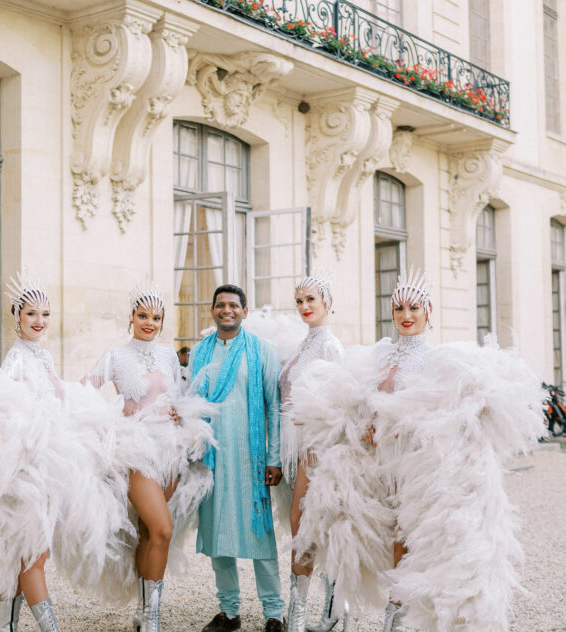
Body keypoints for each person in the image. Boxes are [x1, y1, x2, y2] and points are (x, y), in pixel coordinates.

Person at [291, 267, 545, 632]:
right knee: (362, 534)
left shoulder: (438, 360)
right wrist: (365, 424)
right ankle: (337, 610)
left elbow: (450, 410)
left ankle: (394, 624)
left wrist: (405, 427)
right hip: (377, 465)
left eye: (413, 307)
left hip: (415, 465)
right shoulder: (380, 356)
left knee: (404, 540)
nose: (406, 315)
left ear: (428, 312)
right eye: (399, 309)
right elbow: (365, 402)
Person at [0, 272, 135, 632]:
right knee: (32, 551)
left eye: (45, 314)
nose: (39, 321)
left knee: (26, 550)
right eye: (31, 314)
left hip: (49, 467)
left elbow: (61, 399)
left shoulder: (44, 357)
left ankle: (5, 625)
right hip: (25, 468)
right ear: (17, 317)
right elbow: (2, 408)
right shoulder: (16, 359)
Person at [86, 281, 214, 632]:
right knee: (162, 529)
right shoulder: (114, 356)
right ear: (131, 317)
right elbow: (84, 391)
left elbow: (179, 394)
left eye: (156, 318)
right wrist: (112, 418)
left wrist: (179, 412)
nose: (149, 323)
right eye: (143, 316)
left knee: (147, 531)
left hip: (170, 450)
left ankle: (144, 614)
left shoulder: (169, 355)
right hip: (137, 452)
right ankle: (153, 621)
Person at [190, 284, 284, 632]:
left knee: (260, 535)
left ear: (245, 311)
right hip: (212, 459)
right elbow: (191, 403)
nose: (226, 310)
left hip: (250, 459)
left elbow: (274, 406)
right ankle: (229, 611)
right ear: (212, 310)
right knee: (219, 534)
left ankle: (274, 612)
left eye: (233, 305)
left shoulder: (261, 350)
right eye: (220, 305)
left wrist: (274, 458)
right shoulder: (200, 351)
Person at [278, 275, 344, 632]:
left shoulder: (331, 347)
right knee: (312, 527)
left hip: (315, 447)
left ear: (327, 302)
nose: (304, 306)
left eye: (311, 300)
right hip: (293, 447)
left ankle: (298, 614)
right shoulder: (303, 345)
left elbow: (340, 401)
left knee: (302, 525)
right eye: (299, 301)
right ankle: (333, 608)